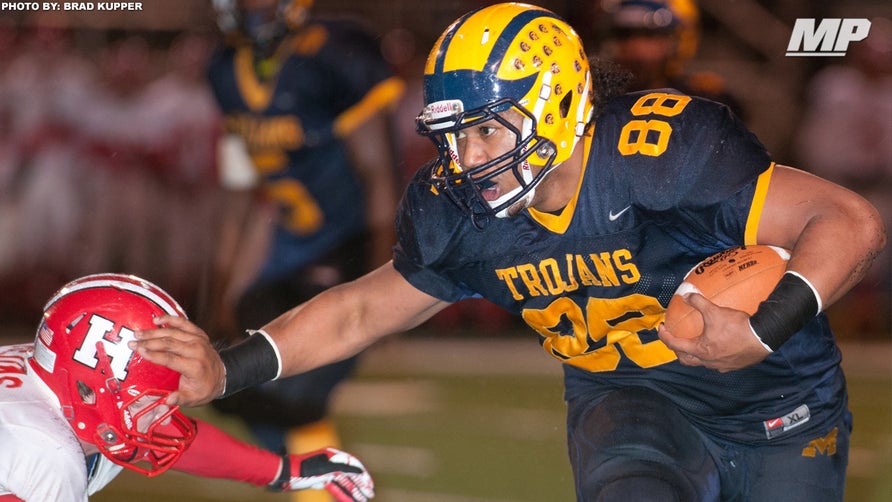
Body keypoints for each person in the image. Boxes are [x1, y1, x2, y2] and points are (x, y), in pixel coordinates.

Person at [133, 3, 886, 501]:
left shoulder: (659, 153)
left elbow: (847, 219)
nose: (464, 157)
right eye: (454, 135)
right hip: (629, 401)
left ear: (557, 104)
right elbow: (363, 308)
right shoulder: (460, 211)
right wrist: (228, 367)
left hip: (779, 399)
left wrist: (764, 327)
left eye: (486, 130)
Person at [204, 0, 405, 490]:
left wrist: (384, 277)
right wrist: (223, 288)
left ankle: (326, 487)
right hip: (285, 252)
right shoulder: (225, 69)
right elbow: (241, 191)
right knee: (231, 382)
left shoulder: (332, 55)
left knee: (296, 395)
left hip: (347, 249)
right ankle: (309, 482)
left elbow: (379, 175)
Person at [0, 273, 374, 502]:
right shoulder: (46, 453)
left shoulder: (57, 385)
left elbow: (176, 440)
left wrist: (284, 470)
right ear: (88, 390)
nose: (164, 412)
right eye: (152, 400)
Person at [596, 0, 746, 118]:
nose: (635, 46)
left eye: (648, 35)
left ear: (671, 42)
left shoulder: (702, 99)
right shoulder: (594, 98)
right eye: (624, 35)